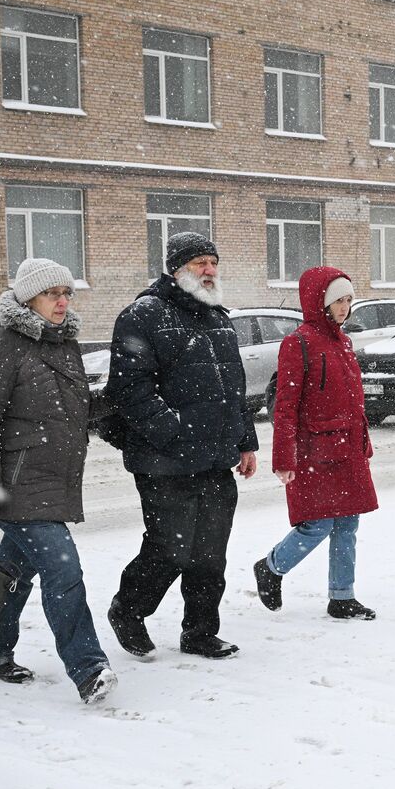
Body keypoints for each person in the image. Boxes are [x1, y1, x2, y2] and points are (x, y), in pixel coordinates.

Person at [0, 257, 117, 704]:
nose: (63, 302)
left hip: (55, 483)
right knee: (63, 569)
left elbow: (75, 413)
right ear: (28, 298)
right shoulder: (2, 346)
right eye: (53, 294)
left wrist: (120, 397)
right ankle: (89, 669)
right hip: (18, 486)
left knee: (12, 574)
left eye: (67, 293)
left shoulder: (63, 345)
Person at [105, 232, 259, 660]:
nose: (209, 271)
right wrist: (172, 430)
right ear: (175, 269)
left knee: (211, 551)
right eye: (198, 264)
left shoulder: (219, 318)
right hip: (165, 460)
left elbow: (234, 389)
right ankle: (129, 610)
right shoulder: (143, 315)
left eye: (212, 262)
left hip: (215, 458)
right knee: (169, 548)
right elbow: (130, 390)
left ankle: (200, 631)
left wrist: (246, 442)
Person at [253, 267, 379, 620]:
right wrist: (285, 458)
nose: (345, 307)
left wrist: (361, 442)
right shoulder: (298, 343)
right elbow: (287, 406)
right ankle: (271, 567)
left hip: (348, 448)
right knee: (318, 523)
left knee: (348, 523)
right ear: (320, 302)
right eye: (338, 300)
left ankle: (342, 596)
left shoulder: (344, 341)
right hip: (316, 452)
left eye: (349, 299)